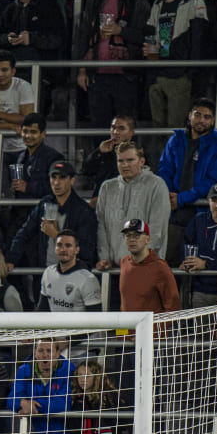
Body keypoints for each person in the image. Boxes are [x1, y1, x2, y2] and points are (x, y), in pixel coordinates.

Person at [75, 0, 151, 131]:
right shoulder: (95, 0)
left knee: (126, 129)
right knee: (99, 129)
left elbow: (145, 37)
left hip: (126, 75)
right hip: (98, 75)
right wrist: (81, 69)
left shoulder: (139, 2)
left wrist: (121, 31)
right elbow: (84, 36)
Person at [8, 161, 99, 289]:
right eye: (53, 177)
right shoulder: (45, 203)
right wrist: (11, 259)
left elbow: (87, 251)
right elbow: (24, 233)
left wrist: (57, 235)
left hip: (73, 277)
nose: (56, 183)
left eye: (62, 178)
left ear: (72, 180)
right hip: (46, 274)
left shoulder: (83, 211)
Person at [158, 99, 217, 258]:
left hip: (201, 214)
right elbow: (164, 169)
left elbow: (212, 181)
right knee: (168, 263)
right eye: (197, 115)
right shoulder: (176, 139)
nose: (201, 120)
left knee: (194, 266)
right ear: (190, 116)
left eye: (207, 117)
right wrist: (168, 195)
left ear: (212, 121)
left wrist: (182, 198)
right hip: (172, 213)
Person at [144, 0, 209, 128]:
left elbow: (198, 40)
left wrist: (191, 74)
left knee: (176, 128)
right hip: (158, 73)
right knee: (157, 128)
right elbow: (150, 37)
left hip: (180, 74)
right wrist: (152, 66)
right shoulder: (157, 3)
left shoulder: (193, 1)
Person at [96, 142, 171, 270]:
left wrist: (140, 261)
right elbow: (101, 226)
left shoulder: (157, 185)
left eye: (130, 160)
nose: (125, 165)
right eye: (120, 161)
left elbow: (157, 229)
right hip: (113, 268)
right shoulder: (107, 187)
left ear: (141, 161)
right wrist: (104, 257)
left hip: (145, 267)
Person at [7, 339, 76, 434]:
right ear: (35, 353)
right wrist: (21, 402)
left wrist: (32, 405)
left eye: (49, 351)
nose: (45, 355)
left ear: (57, 354)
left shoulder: (69, 369)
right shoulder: (25, 370)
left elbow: (64, 403)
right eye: (41, 351)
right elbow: (11, 400)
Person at [0, 0, 67, 65]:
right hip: (15, 62)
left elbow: (57, 39)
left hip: (42, 64)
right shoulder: (10, 10)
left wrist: (32, 39)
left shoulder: (49, 6)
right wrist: (7, 39)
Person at [119, 219, 181, 311]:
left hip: (150, 325)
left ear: (147, 239)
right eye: (128, 235)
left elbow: (173, 308)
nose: (131, 239)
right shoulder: (124, 262)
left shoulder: (160, 268)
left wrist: (155, 325)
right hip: (127, 325)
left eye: (136, 235)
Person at [39, 231, 104, 312]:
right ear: (55, 249)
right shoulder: (48, 273)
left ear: (77, 250)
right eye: (59, 245)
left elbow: (95, 318)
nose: (63, 249)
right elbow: (42, 310)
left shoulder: (88, 280)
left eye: (68, 245)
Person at [83, 115, 137, 194]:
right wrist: (99, 152)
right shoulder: (104, 151)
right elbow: (86, 170)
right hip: (103, 198)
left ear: (131, 133)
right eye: (113, 127)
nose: (115, 132)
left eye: (121, 128)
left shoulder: (138, 154)